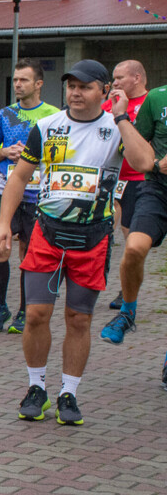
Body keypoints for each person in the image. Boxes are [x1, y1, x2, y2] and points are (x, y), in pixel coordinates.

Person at [0, 60, 151, 425]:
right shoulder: (47, 126)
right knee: (36, 315)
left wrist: (122, 117)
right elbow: (19, 177)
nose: (76, 93)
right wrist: (3, 223)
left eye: (85, 87)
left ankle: (69, 393)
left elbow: (144, 162)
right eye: (71, 86)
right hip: (47, 233)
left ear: (104, 91)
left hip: (92, 237)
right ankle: (36, 388)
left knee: (79, 318)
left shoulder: (116, 127)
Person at [0, 60, 58, 332]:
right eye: (15, 80)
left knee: (29, 250)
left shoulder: (54, 116)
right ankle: (0, 306)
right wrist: (5, 152)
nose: (17, 84)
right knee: (0, 245)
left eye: (23, 80)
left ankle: (25, 310)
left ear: (39, 84)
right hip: (5, 187)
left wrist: (35, 157)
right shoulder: (4, 115)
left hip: (38, 192)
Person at [99, 71, 167, 348]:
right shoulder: (158, 97)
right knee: (134, 248)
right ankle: (127, 313)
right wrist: (154, 163)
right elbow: (140, 149)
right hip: (157, 189)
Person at [99, 60, 150, 311]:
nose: (115, 83)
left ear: (137, 78)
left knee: (131, 238)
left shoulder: (150, 103)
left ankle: (127, 291)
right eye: (114, 78)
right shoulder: (108, 105)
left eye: (120, 78)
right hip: (109, 178)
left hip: (138, 180)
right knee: (102, 231)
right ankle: (94, 281)